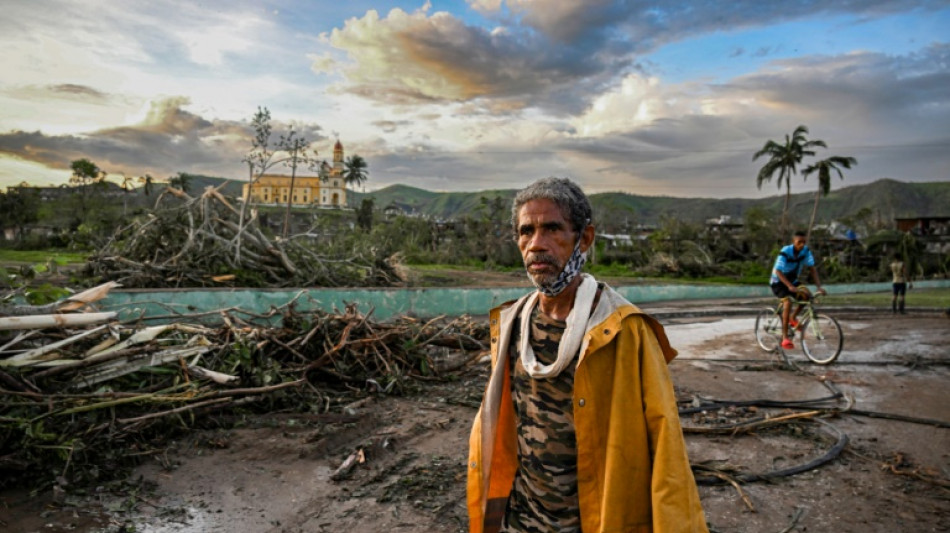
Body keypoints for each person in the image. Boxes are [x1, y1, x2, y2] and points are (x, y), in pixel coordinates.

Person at [466, 177, 708, 533]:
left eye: (552, 229)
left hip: (593, 520)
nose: (536, 245)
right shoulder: (512, 323)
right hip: (521, 519)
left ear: (585, 238)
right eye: (526, 231)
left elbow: (666, 447)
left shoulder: (623, 331)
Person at [770, 230, 825, 350]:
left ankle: (792, 318)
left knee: (807, 296)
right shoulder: (785, 251)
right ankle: (785, 338)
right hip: (778, 282)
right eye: (799, 242)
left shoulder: (805, 251)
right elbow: (778, 271)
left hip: (793, 282)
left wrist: (819, 287)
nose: (802, 245)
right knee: (787, 302)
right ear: (793, 242)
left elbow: (812, 269)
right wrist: (789, 286)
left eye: (804, 242)